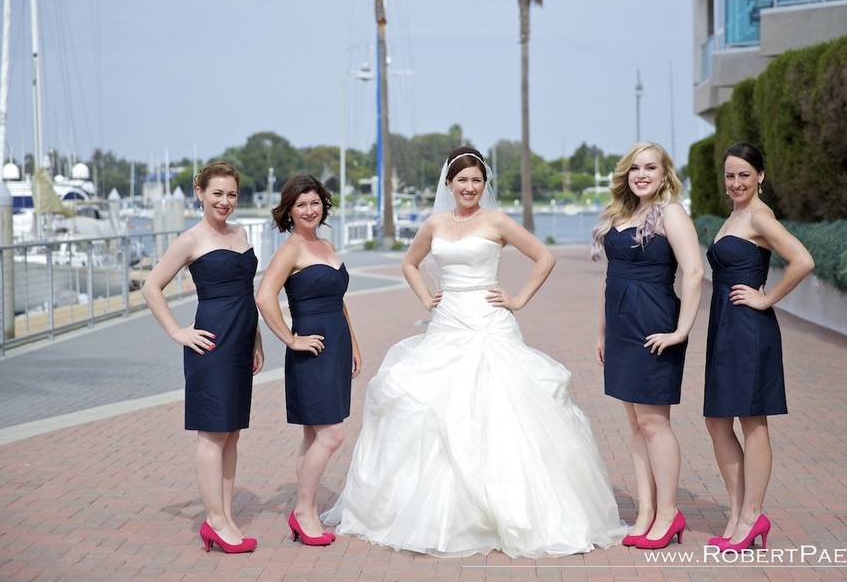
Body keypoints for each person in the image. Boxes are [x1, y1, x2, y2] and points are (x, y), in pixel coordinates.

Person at [322, 147, 626, 558]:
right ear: (449, 183)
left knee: (499, 408)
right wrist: (427, 297)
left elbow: (545, 257)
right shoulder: (434, 224)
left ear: (485, 184)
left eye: (476, 180)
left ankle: (507, 510)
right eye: (461, 180)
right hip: (447, 323)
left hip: (489, 322)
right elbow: (410, 264)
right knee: (429, 406)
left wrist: (517, 299)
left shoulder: (496, 221)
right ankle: (435, 512)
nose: (469, 187)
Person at [142, 161, 263, 554]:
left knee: (232, 433)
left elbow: (247, 291)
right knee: (212, 434)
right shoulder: (190, 240)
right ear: (200, 192)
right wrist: (177, 331)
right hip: (211, 343)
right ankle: (214, 521)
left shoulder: (241, 233)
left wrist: (257, 339)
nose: (225, 201)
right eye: (217, 194)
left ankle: (224, 516)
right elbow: (151, 286)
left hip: (242, 342)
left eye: (231, 194)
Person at [592, 142, 703, 550]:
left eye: (650, 167)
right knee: (636, 424)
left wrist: (680, 332)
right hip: (621, 329)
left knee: (656, 422)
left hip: (654, 325)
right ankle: (645, 511)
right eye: (635, 167)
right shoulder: (622, 215)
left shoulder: (671, 213)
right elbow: (609, 280)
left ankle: (669, 513)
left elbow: (693, 273)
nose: (642, 174)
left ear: (664, 173)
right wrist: (602, 332)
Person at [704, 142, 814, 552]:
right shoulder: (735, 215)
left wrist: (766, 298)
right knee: (716, 421)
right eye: (730, 175)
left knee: (752, 422)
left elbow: (803, 260)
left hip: (750, 329)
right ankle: (738, 512)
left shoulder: (761, 217)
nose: (735, 183)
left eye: (744, 175)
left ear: (761, 176)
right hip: (724, 327)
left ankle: (752, 515)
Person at [255, 174, 362, 547]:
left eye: (314, 203)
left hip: (337, 347)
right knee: (332, 435)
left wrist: (354, 344)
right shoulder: (291, 249)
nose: (309, 210)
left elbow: (338, 299)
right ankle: (302, 512)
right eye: (301, 204)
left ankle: (309, 509)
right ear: (289, 211)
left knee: (314, 435)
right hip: (311, 350)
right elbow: (264, 297)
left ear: (323, 206)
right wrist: (290, 339)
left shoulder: (326, 244)